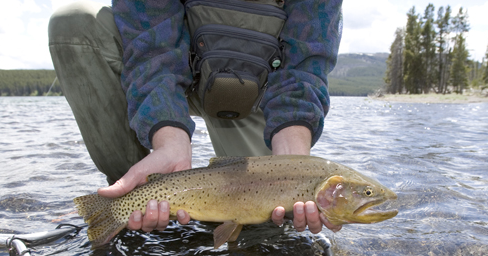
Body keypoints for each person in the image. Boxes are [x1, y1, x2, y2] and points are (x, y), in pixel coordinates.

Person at [48, 0, 343, 238]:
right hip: (176, 76)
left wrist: (293, 162)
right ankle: (126, 198)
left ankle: (141, 206)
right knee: (73, 21)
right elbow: (152, 49)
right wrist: (168, 140)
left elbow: (306, 62)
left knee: (266, 224)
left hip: (261, 96)